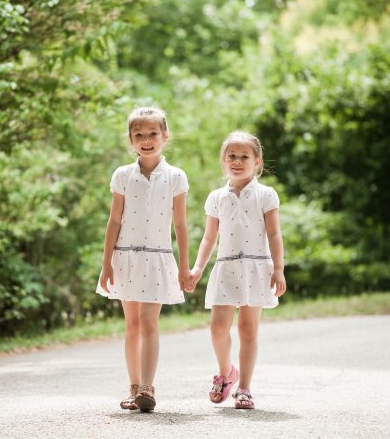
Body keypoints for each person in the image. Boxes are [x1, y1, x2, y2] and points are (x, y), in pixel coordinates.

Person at [97, 107, 191, 413]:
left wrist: (185, 265)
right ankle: (133, 387)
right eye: (139, 135)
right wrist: (106, 262)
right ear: (130, 139)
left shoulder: (175, 176)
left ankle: (148, 388)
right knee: (133, 325)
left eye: (153, 134)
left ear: (165, 136)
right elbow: (114, 221)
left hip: (158, 260)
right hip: (126, 259)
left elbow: (180, 225)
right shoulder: (123, 175)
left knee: (150, 322)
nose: (146, 140)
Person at [186, 130, 286, 409]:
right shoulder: (216, 197)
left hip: (256, 267)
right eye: (232, 156)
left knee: (247, 329)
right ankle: (226, 372)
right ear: (223, 160)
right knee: (218, 327)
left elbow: (275, 235)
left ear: (257, 162)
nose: (238, 161)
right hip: (226, 267)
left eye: (245, 156)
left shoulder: (266, 195)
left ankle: (244, 388)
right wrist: (196, 269)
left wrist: (278, 269)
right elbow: (209, 238)